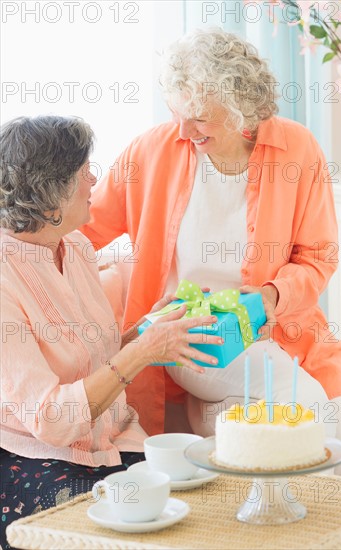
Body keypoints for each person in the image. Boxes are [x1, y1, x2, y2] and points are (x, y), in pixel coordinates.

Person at [81, 28, 341, 480]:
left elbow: (318, 255)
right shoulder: (152, 150)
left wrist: (270, 297)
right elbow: (81, 228)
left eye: (200, 117)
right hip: (194, 335)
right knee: (308, 410)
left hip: (286, 330)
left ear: (243, 110)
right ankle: (297, 531)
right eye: (177, 112)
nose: (183, 130)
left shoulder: (297, 149)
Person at [0, 115, 223, 547]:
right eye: (83, 173)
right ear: (49, 201)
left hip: (114, 441)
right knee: (124, 531)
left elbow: (93, 354)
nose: (94, 180)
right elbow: (51, 419)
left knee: (198, 506)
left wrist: (144, 332)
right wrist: (139, 354)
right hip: (37, 456)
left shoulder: (77, 247)